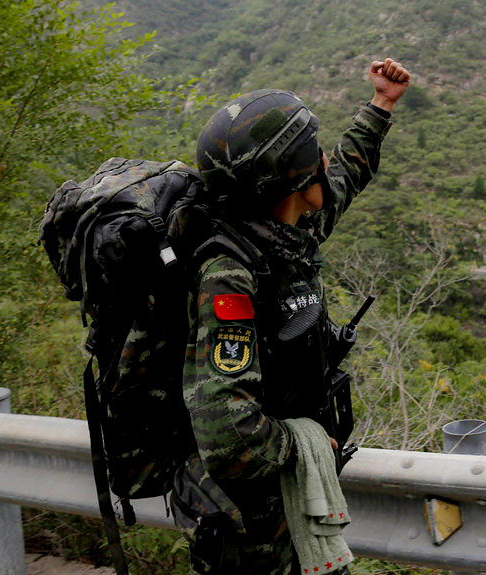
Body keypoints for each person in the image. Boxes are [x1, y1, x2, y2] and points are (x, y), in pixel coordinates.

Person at [172, 59, 411, 574]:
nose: (325, 159)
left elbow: (345, 173)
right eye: (313, 152)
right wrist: (301, 443)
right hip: (255, 532)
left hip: (287, 512)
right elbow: (227, 434)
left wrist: (381, 104)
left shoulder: (285, 234)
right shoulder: (230, 274)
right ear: (293, 176)